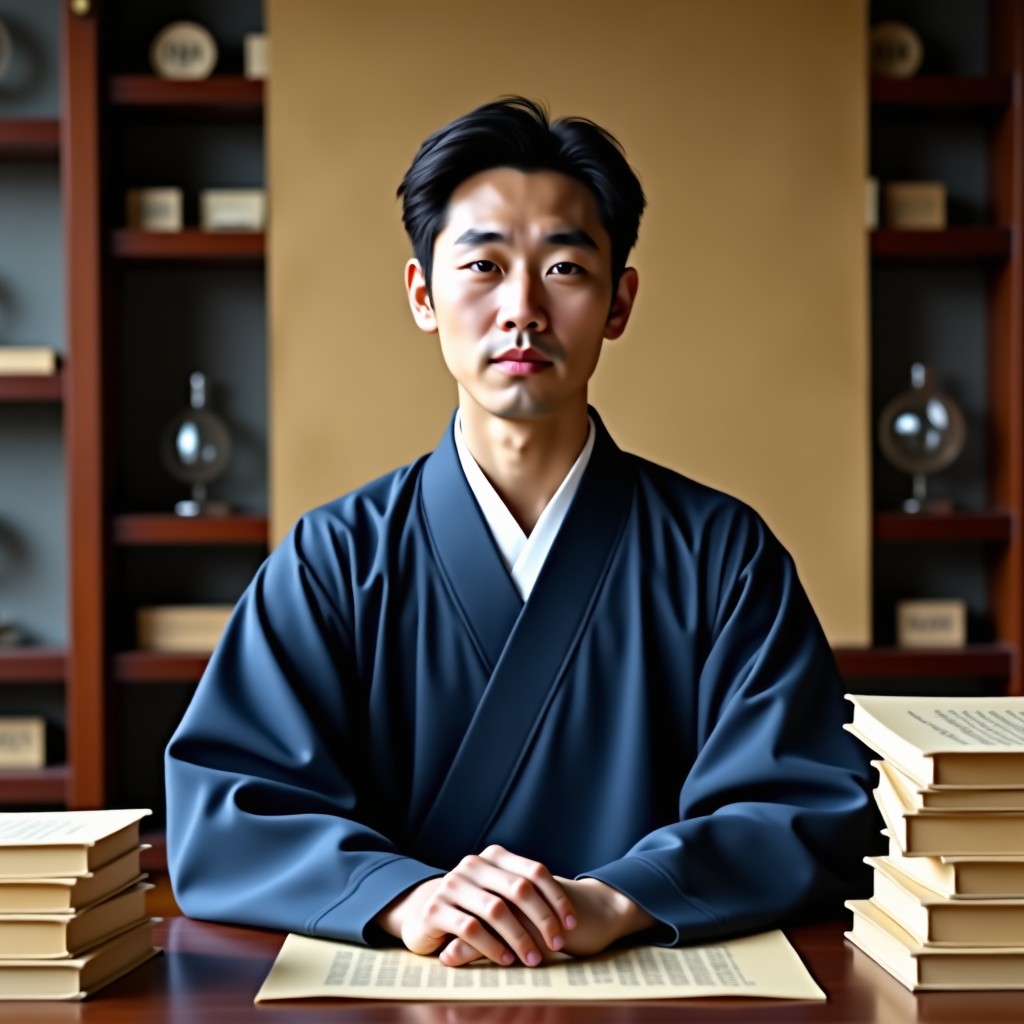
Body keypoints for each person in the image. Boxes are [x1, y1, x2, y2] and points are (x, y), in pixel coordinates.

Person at [165, 96, 874, 970]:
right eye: (484, 267)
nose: (523, 309)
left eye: (566, 269)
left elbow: (807, 801)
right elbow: (229, 808)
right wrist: (403, 897)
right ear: (423, 295)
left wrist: (619, 899)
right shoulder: (333, 559)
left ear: (620, 301)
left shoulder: (722, 554)